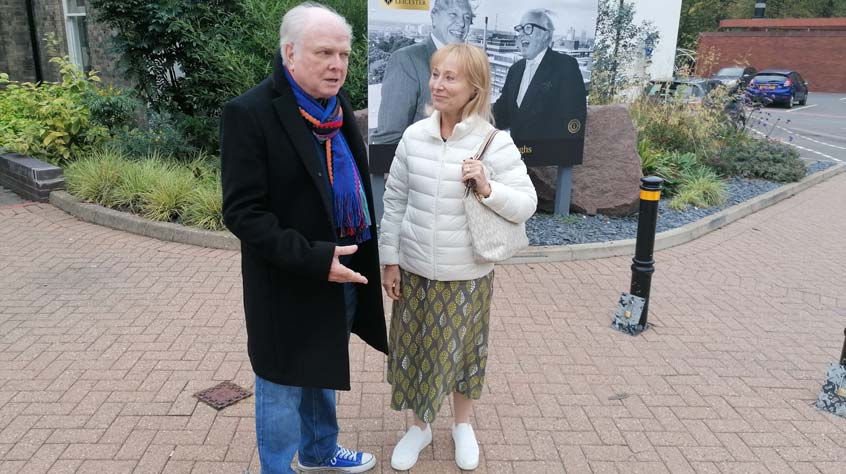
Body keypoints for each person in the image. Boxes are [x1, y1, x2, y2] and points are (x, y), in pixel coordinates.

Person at [220, 3, 388, 473]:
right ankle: (276, 468)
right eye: (324, 53)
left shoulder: (334, 107)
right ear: (290, 53)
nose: (337, 65)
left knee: (324, 366)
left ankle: (320, 454)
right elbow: (242, 213)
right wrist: (315, 259)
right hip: (288, 279)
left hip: (342, 271)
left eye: (344, 54)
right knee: (281, 384)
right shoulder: (249, 113)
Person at [379, 43, 537, 471]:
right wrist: (390, 260)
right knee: (413, 350)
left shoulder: (495, 143)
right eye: (435, 74)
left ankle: (462, 425)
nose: (437, 84)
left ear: (475, 87)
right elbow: (394, 200)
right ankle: (419, 427)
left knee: (463, 351)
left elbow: (526, 204)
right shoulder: (414, 136)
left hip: (466, 272)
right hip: (413, 268)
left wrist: (488, 188)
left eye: (450, 77)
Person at [371, 0, 474, 145]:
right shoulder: (407, 60)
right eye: (453, 14)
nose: (462, 24)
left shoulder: (469, 63)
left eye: (467, 17)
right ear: (434, 17)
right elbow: (388, 138)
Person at [493, 8, 586, 142]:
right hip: (516, 156)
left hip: (548, 157)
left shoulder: (565, 66)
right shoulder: (515, 70)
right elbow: (502, 114)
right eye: (519, 29)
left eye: (528, 28)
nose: (521, 34)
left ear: (546, 35)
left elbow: (574, 120)